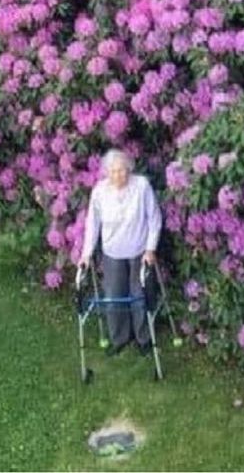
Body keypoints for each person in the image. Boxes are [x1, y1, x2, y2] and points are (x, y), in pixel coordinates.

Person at [78, 148, 162, 356]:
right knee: (114, 296)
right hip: (112, 252)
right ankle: (119, 338)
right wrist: (86, 253)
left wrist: (150, 249)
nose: (119, 175)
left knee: (139, 295)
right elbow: (92, 224)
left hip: (139, 251)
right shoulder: (99, 191)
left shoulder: (141, 186)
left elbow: (154, 218)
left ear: (129, 169)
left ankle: (143, 339)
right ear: (107, 172)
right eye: (114, 171)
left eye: (123, 170)